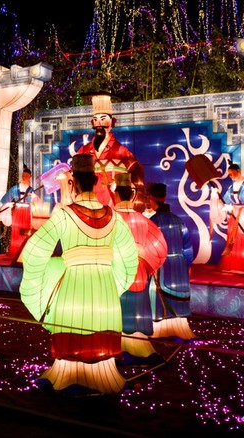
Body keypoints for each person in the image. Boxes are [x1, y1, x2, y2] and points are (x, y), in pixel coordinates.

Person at [19, 153, 139, 395]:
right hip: (105, 293)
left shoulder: (64, 215)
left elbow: (34, 250)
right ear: (95, 181)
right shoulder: (114, 217)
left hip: (74, 288)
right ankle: (103, 377)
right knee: (101, 332)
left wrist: (44, 278)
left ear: (72, 183)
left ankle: (68, 376)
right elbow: (129, 259)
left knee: (72, 329)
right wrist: (116, 283)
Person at [112, 173, 168, 365]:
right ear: (132, 195)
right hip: (138, 272)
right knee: (136, 310)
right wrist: (147, 266)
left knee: (117, 312)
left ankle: (119, 349)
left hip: (116, 273)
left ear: (116, 195)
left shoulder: (110, 219)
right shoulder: (143, 220)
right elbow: (160, 248)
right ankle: (138, 349)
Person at [76, 94, 144, 209]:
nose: (99, 124)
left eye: (103, 120)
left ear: (112, 122)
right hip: (89, 200)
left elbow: (135, 169)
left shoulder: (120, 150)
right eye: (95, 120)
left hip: (112, 199)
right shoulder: (84, 150)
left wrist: (120, 184)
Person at [147, 182, 196, 339]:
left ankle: (160, 331)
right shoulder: (178, 221)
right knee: (178, 299)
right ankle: (178, 330)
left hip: (162, 266)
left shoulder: (153, 222)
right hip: (179, 267)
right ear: (165, 197)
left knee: (158, 298)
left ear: (152, 199)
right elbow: (187, 248)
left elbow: (149, 248)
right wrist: (187, 265)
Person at [208, 163, 244, 274]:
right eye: (229, 174)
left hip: (243, 218)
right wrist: (216, 195)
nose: (231, 176)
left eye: (232, 173)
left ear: (238, 171)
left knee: (241, 241)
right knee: (231, 240)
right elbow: (224, 202)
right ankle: (230, 264)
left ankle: (240, 265)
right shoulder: (231, 188)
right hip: (233, 219)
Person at [0, 164, 39, 257]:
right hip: (17, 211)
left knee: (25, 231)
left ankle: (24, 252)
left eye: (27, 175)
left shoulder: (31, 190)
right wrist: (8, 204)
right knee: (16, 230)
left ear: (30, 176)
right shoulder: (15, 188)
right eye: (23, 175)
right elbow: (5, 200)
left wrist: (34, 197)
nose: (25, 177)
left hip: (26, 212)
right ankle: (15, 250)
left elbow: (36, 202)